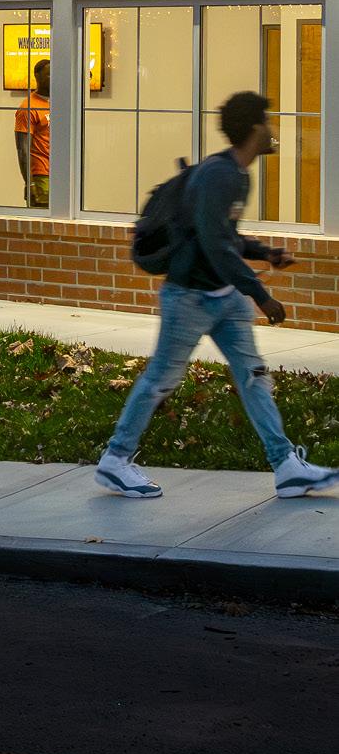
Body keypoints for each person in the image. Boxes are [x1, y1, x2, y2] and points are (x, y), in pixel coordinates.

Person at [96, 90, 338, 500]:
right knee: (161, 378)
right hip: (189, 296)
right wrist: (260, 294)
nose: (272, 128)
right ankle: (115, 461)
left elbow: (224, 236)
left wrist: (265, 253)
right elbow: (213, 243)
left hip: (223, 298)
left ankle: (286, 466)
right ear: (254, 128)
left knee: (254, 376)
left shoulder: (238, 174)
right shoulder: (218, 174)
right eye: (267, 121)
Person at [14, 58, 49, 208]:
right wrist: (30, 182)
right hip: (41, 175)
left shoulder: (59, 102)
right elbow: (23, 149)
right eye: (48, 75)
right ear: (37, 77)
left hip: (61, 173)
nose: (54, 78)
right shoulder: (27, 108)